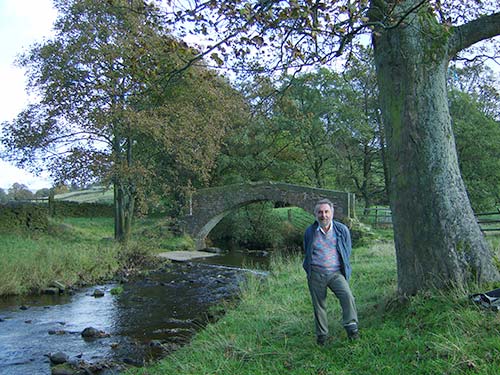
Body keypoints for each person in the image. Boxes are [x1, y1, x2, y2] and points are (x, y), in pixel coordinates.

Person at [303, 198, 359, 345]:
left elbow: (347, 250)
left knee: (347, 296)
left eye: (326, 212)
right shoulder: (310, 232)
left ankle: (351, 328)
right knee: (319, 305)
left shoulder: (342, 230)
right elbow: (307, 251)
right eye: (320, 212)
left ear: (332, 213)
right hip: (316, 273)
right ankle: (322, 337)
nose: (324, 215)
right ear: (315, 214)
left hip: (336, 273)